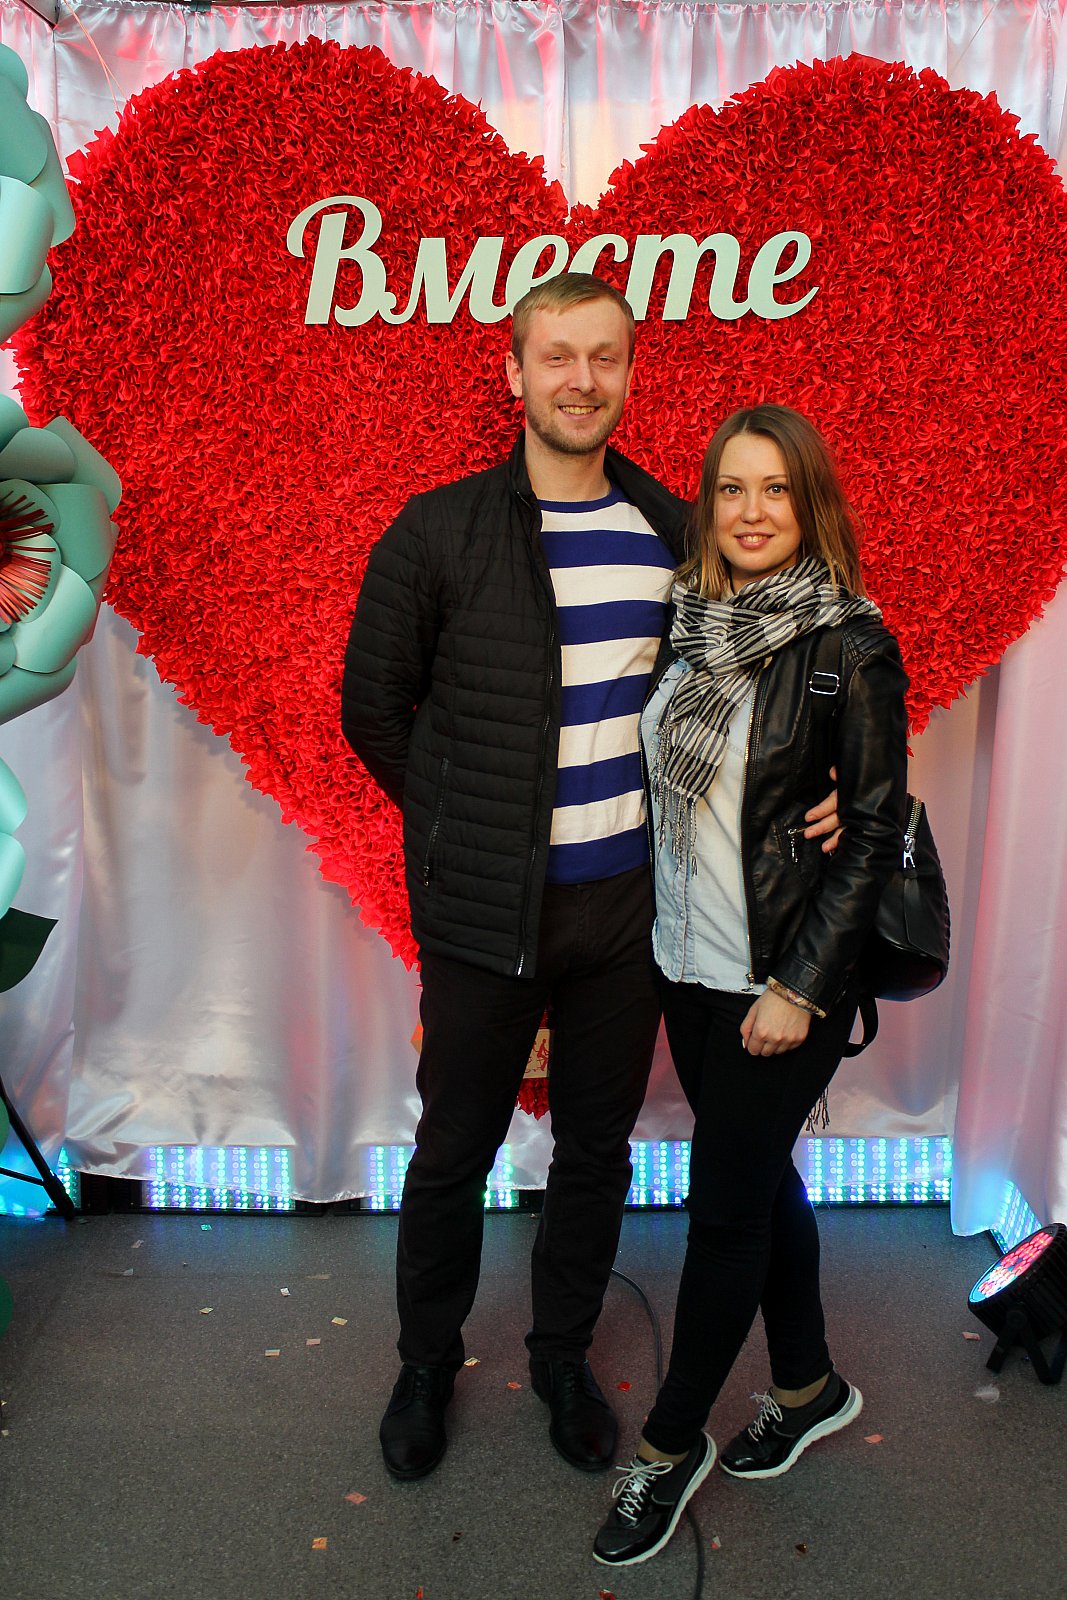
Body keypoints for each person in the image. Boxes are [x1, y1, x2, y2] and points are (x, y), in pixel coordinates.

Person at [341, 279, 840, 1484]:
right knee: (451, 1149)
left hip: (627, 914)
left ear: (626, 373)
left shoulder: (677, 531)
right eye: (556, 356)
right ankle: (425, 1362)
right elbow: (373, 711)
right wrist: (469, 827)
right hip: (482, 913)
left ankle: (560, 1355)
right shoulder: (436, 530)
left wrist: (832, 780)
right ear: (513, 373)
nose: (580, 380)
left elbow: (764, 684)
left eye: (602, 357)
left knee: (594, 1148)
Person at [592, 404, 909, 1567]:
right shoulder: (691, 629)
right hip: (686, 964)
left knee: (723, 1212)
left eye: (775, 489)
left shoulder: (848, 644)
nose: (750, 510)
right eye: (730, 488)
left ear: (809, 503)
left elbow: (869, 832)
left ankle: (668, 1447)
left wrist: (800, 985)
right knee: (760, 1177)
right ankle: (808, 1384)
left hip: (779, 980)